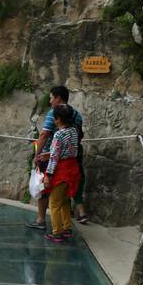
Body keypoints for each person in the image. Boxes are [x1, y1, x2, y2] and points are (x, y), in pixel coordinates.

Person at [27, 86, 83, 230]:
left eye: (51, 98)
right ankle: (67, 228)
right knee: (64, 199)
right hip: (71, 164)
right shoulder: (76, 117)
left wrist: (38, 155)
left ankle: (48, 225)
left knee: (49, 196)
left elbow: (44, 135)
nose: (50, 101)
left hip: (55, 165)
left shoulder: (55, 117)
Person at [42, 104, 81, 242]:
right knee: (64, 201)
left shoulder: (58, 134)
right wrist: (51, 152)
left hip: (61, 171)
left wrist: (48, 176)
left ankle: (57, 232)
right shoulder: (73, 131)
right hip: (71, 167)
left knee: (54, 203)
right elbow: (68, 150)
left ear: (57, 119)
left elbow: (54, 158)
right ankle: (67, 228)